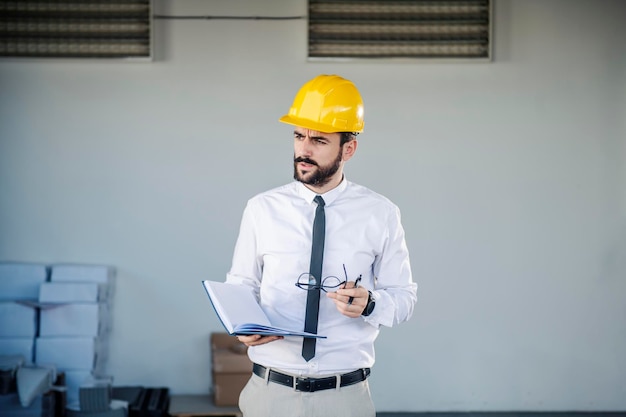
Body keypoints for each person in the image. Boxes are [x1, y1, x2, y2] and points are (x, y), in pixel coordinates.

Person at [225, 74, 417, 417]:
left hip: (345, 398)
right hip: (269, 395)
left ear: (349, 148)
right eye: (299, 136)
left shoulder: (381, 214)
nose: (304, 149)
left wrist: (370, 304)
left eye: (319, 140)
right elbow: (240, 285)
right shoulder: (261, 209)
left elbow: (404, 299)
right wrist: (244, 327)